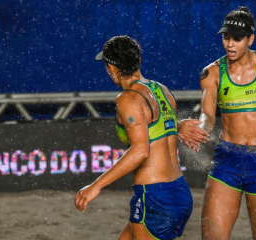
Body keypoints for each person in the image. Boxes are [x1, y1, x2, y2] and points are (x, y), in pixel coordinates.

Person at [178, 6, 256, 240]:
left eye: (237, 39)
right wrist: (194, 129)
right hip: (227, 160)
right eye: (226, 38)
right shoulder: (212, 73)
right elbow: (208, 117)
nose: (230, 44)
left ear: (251, 39)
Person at [74, 35, 193, 240]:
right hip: (179, 192)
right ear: (138, 60)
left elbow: (140, 151)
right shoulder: (161, 89)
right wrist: (180, 125)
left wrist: (96, 186)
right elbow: (162, 129)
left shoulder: (127, 99)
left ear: (111, 67)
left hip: (155, 197)